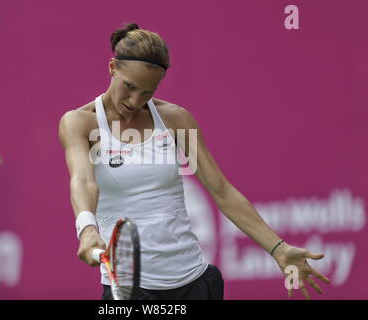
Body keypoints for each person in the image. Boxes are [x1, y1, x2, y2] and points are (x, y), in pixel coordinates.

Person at [58, 23, 331, 300]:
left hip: (195, 282)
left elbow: (221, 191)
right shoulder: (79, 123)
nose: (135, 100)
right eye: (129, 87)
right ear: (112, 67)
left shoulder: (176, 119)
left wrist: (278, 248)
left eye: (147, 92)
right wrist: (87, 227)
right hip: (130, 289)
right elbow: (82, 180)